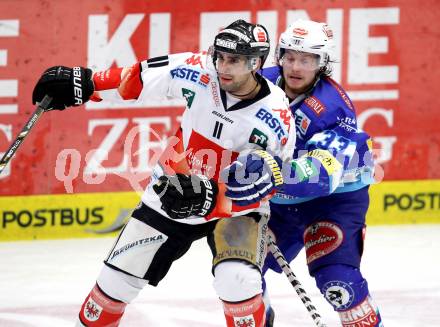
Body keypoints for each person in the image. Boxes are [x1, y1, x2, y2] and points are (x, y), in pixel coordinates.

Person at [32, 20, 296, 327]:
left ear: (255, 62)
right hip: (171, 192)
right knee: (114, 282)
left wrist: (213, 196)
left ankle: (257, 309)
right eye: (220, 56)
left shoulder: (275, 115)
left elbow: (267, 180)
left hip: (234, 211)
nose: (223, 66)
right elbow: (140, 78)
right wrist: (86, 84)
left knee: (237, 280)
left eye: (234, 60)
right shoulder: (199, 69)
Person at [223, 20, 383, 326]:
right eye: (290, 56)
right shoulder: (258, 83)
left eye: (307, 59)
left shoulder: (334, 106)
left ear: (322, 64)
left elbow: (321, 174)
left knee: (340, 286)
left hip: (334, 201)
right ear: (279, 55)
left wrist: (268, 173)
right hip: (277, 201)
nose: (296, 66)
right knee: (237, 272)